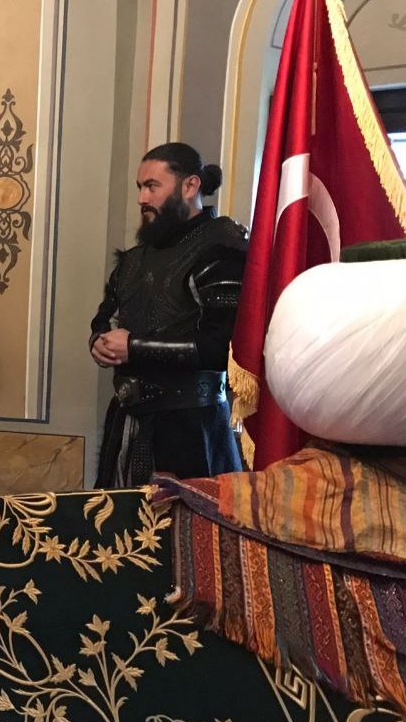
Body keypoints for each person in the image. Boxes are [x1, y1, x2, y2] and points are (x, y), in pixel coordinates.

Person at [89, 142, 246, 488]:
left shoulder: (222, 249)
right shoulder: (134, 259)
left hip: (194, 430)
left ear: (190, 185)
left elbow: (223, 347)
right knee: (119, 519)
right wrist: (99, 341)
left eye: (152, 186)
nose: (142, 198)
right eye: (140, 187)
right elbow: (103, 318)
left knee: (188, 520)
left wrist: (134, 347)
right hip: (126, 424)